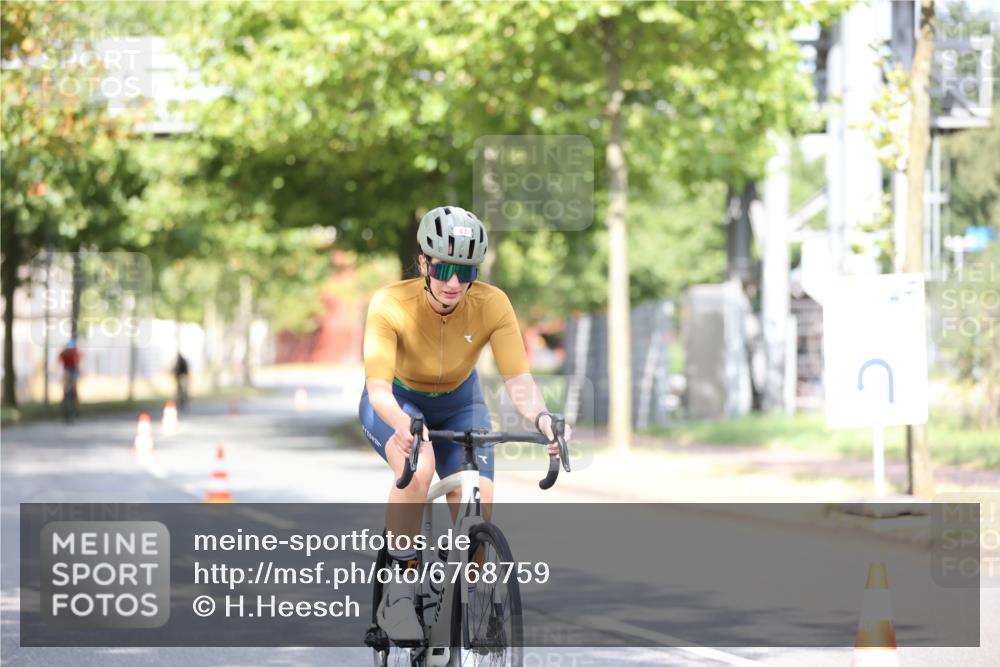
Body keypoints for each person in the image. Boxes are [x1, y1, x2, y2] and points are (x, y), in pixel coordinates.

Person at [359, 205, 569, 641]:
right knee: (419, 467)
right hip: (398, 399)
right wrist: (402, 423)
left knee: (477, 503)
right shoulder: (390, 303)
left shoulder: (492, 304)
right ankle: (398, 589)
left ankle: (465, 593)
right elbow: (378, 388)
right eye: (444, 268)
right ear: (424, 262)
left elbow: (519, 379)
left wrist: (543, 418)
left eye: (466, 272)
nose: (454, 282)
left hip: (460, 400)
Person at [58, 338, 81, 422]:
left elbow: (77, 365)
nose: (69, 351)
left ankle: (76, 407)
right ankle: (65, 402)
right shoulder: (63, 353)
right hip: (67, 370)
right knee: (65, 388)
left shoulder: (75, 353)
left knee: (74, 389)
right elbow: (59, 363)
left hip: (73, 370)